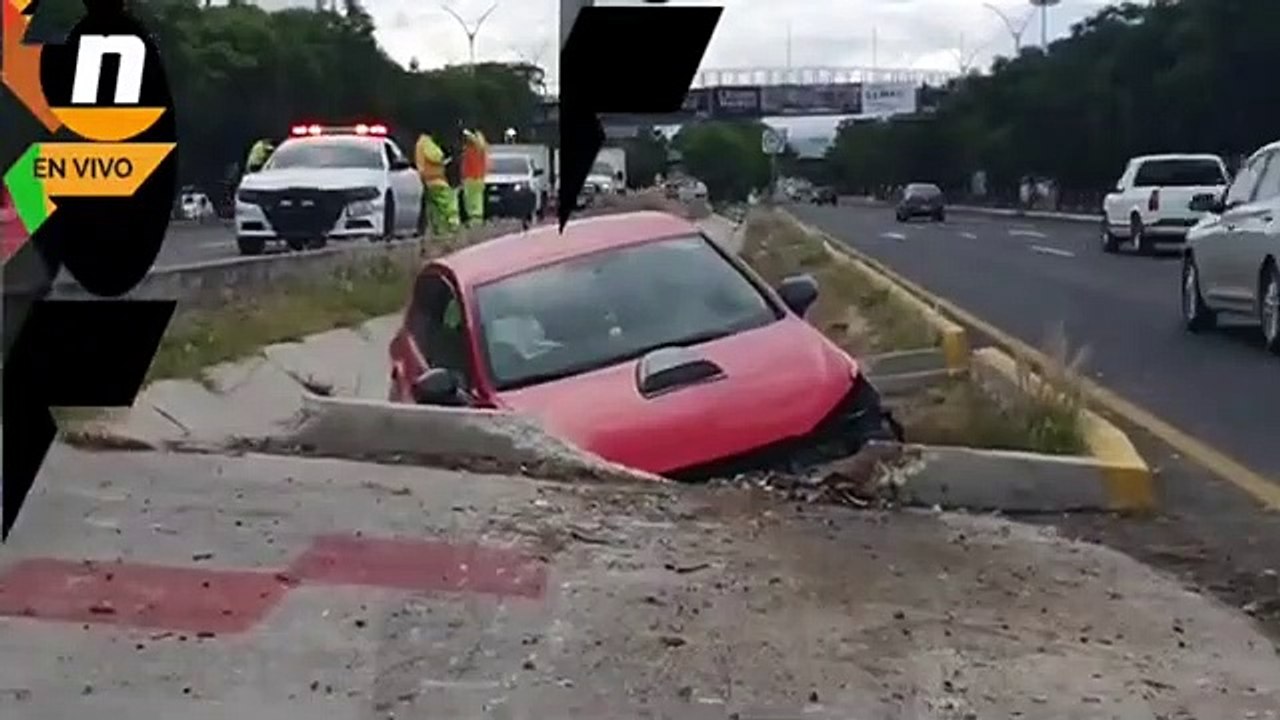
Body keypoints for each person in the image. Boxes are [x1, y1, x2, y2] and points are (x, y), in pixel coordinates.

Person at [414, 133, 460, 241]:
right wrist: (444, 156)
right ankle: (453, 228)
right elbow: (436, 156)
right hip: (436, 179)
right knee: (449, 203)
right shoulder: (426, 143)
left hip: (426, 181)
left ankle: (440, 232)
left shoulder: (420, 143)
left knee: (435, 210)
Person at [460, 128, 489, 228]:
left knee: (473, 200)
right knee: (473, 200)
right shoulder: (472, 148)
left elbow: (475, 140)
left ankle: (475, 220)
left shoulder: (477, 147)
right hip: (474, 177)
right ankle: (475, 220)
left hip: (473, 177)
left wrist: (467, 132)